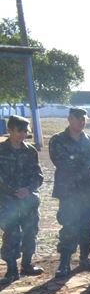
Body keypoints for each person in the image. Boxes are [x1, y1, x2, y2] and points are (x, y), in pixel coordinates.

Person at [49, 108, 90, 277]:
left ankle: (84, 258)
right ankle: (64, 263)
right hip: (69, 191)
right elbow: (60, 161)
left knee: (88, 225)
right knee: (69, 225)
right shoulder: (58, 140)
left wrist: (77, 158)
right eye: (78, 118)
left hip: (89, 190)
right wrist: (84, 160)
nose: (81, 121)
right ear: (69, 119)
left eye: (83, 118)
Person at [0, 115, 43, 284]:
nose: (23, 134)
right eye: (20, 130)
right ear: (10, 130)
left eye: (26, 131)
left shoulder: (30, 151)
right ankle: (11, 268)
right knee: (11, 233)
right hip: (6, 200)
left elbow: (38, 175)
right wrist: (12, 191)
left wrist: (28, 189)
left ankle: (27, 264)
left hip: (28, 200)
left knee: (30, 232)